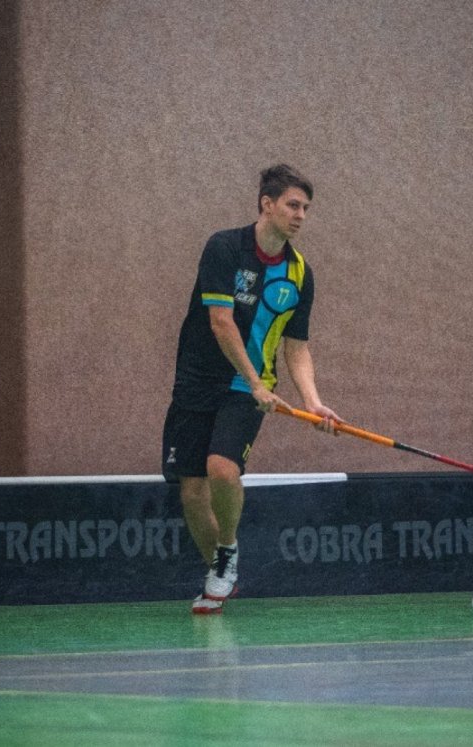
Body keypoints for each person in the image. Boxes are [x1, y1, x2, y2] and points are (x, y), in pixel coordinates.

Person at [163, 164, 341, 615]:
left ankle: (227, 551)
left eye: (306, 208)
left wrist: (313, 401)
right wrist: (259, 384)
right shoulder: (224, 248)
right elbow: (221, 323)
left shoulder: (300, 273)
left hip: (246, 388)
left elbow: (296, 347)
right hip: (197, 381)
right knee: (192, 492)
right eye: (293, 205)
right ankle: (221, 569)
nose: (300, 216)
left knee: (222, 469)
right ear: (267, 204)